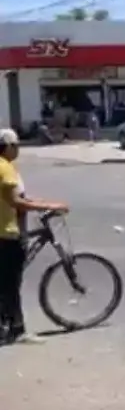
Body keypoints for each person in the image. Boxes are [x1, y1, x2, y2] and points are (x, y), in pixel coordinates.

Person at [0, 129, 67, 344]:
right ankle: (17, 330)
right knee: (10, 285)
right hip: (7, 233)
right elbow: (16, 202)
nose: (18, 149)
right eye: (17, 145)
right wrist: (50, 205)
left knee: (5, 283)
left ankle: (5, 325)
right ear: (9, 146)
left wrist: (38, 202)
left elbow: (21, 197)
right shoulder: (5, 168)